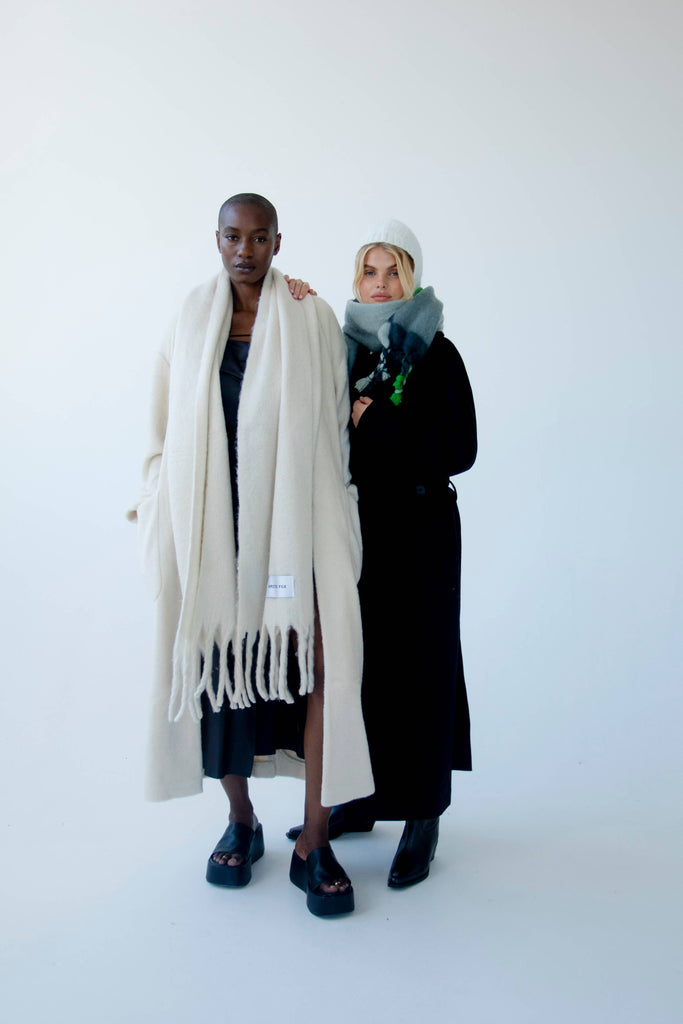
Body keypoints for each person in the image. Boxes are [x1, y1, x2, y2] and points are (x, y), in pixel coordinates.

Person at [127, 193, 373, 917]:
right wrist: (157, 503)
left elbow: (334, 433)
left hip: (295, 521)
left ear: (276, 243)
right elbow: (160, 427)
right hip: (212, 528)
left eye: (259, 238)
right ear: (217, 239)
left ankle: (314, 840)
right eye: (233, 236)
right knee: (221, 671)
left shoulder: (310, 316)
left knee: (318, 666)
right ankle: (240, 820)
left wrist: (335, 518)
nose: (245, 250)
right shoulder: (188, 318)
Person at [287, 219, 477, 888]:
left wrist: (380, 421)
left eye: (393, 270)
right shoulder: (341, 347)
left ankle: (424, 815)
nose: (380, 283)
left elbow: (460, 450)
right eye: (369, 271)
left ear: (412, 277)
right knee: (361, 667)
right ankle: (361, 799)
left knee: (422, 668)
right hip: (358, 529)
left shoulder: (436, 352)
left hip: (421, 532)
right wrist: (292, 297)